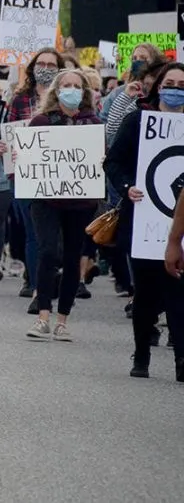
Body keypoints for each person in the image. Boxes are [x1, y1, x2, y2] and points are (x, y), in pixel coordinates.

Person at [105, 62, 184, 379]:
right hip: (144, 221)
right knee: (147, 292)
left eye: (182, 85)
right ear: (158, 86)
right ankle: (141, 353)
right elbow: (114, 162)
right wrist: (128, 187)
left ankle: (181, 358)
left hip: (180, 224)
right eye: (170, 83)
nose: (176, 90)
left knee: (179, 291)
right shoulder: (137, 122)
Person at [22, 69, 102, 342]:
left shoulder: (93, 124)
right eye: (66, 85)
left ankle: (62, 320)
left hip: (80, 202)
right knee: (47, 252)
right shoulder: (41, 121)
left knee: (72, 257)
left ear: (85, 92)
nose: (71, 89)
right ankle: (43, 316)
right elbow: (29, 159)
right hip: (46, 200)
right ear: (56, 90)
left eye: (76, 86)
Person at [6, 48, 65, 299]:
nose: (46, 68)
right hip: (23, 176)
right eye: (41, 63)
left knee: (53, 234)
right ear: (32, 68)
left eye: (52, 65)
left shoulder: (65, 99)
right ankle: (35, 285)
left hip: (59, 175)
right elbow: (9, 134)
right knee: (33, 232)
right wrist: (5, 149)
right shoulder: (20, 99)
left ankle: (51, 277)